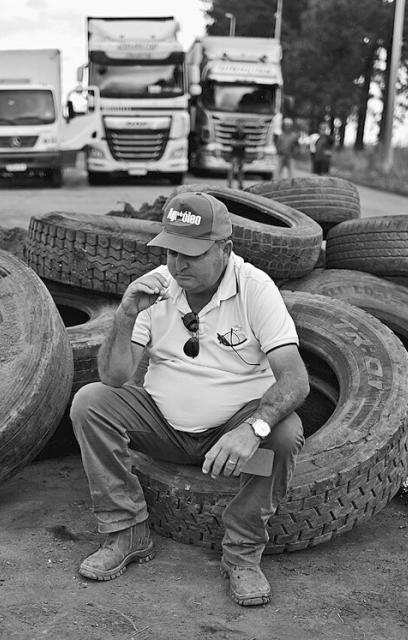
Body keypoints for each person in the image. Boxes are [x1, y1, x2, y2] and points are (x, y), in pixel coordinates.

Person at [70, 191, 310, 607]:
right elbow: (114, 376)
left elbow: (296, 381)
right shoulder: (155, 289)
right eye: (170, 251)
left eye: (192, 254)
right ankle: (127, 533)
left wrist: (252, 430)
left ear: (225, 249)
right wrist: (124, 314)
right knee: (90, 402)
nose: (178, 265)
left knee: (283, 433)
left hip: (231, 445)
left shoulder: (254, 288)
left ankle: (242, 555)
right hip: (163, 429)